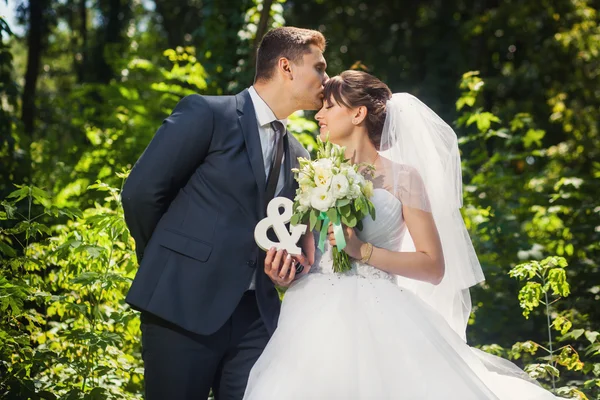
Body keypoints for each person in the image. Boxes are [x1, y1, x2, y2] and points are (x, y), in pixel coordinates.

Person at [243, 70, 560, 399]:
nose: (319, 114)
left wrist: (361, 250)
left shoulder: (404, 178)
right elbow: (309, 256)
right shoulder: (314, 173)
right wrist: (286, 273)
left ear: (357, 113)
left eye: (328, 106)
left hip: (380, 313)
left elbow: (433, 266)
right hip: (310, 313)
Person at [120, 26, 327, 400]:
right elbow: (141, 193)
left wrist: (286, 270)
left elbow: (287, 237)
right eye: (320, 68)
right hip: (182, 306)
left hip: (256, 319)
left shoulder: (300, 155)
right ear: (286, 67)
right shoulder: (208, 114)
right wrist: (172, 263)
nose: (326, 80)